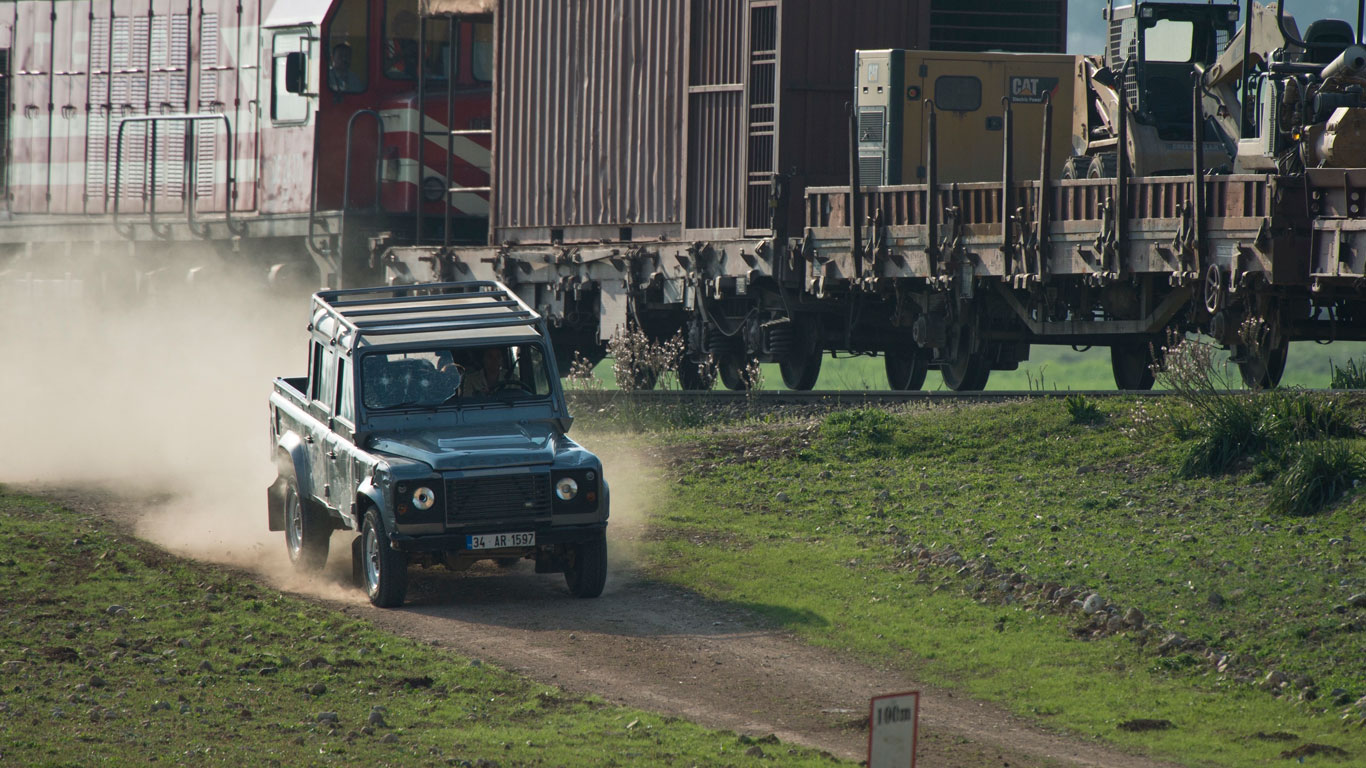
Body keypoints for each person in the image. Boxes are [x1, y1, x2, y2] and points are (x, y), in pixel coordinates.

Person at [384, 11, 419, 78]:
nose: (407, 31)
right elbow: (381, 68)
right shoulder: (388, 45)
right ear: (395, 27)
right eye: (403, 28)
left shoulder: (420, 47)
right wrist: (402, 54)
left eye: (411, 28)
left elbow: (430, 71)